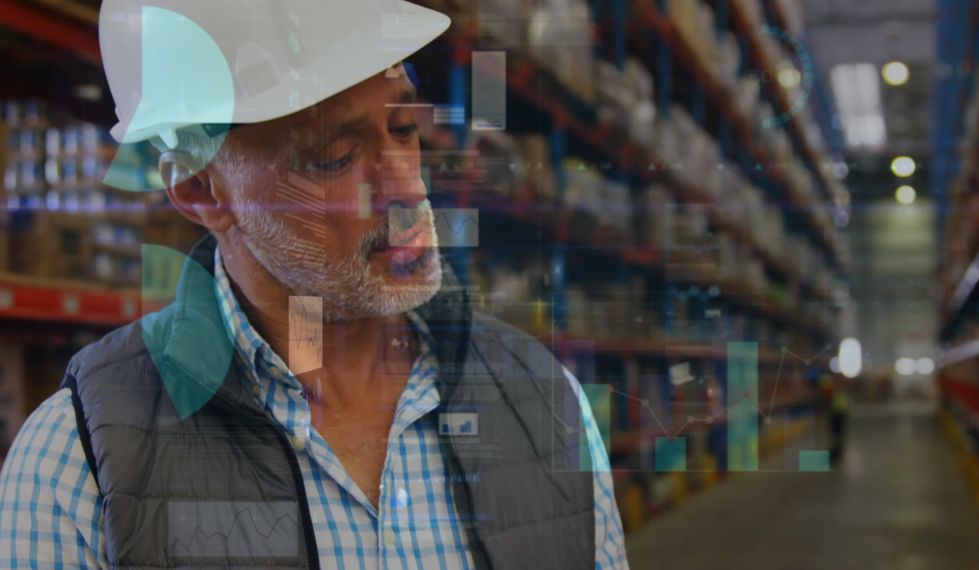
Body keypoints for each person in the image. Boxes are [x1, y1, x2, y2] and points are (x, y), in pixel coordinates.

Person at [0, 1, 627, 568]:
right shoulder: (79, 466)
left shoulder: (545, 403)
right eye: (336, 156)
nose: (407, 188)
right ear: (200, 189)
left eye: (405, 130)